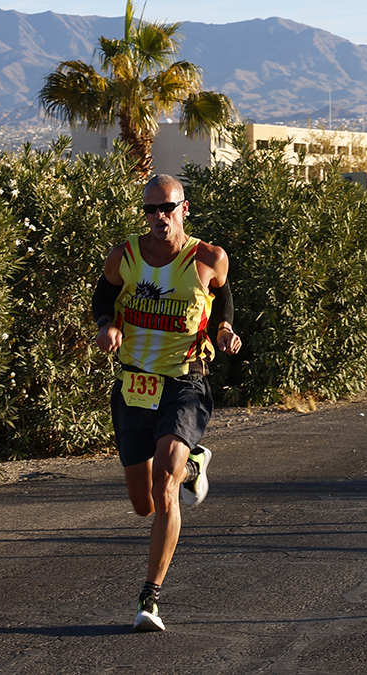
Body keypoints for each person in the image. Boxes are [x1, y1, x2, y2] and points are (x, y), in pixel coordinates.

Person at [92, 173, 241, 632]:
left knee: (165, 484)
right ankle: (195, 464)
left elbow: (223, 298)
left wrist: (224, 330)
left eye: (167, 208)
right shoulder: (126, 255)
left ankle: (149, 598)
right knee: (143, 504)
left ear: (185, 208)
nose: (159, 217)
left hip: (185, 381)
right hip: (135, 382)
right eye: (150, 209)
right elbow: (104, 293)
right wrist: (105, 325)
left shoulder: (208, 257)